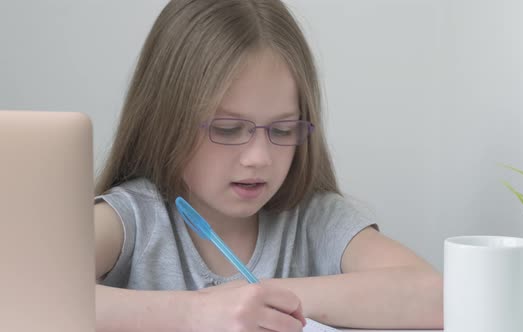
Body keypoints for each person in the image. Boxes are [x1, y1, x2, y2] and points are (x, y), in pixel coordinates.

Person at [94, 0, 443, 331]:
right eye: (228, 129)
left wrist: (263, 299)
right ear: (167, 121)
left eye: (282, 130)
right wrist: (197, 312)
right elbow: (40, 292)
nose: (259, 157)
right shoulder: (134, 218)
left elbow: (436, 297)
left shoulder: (313, 221)